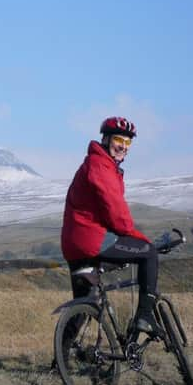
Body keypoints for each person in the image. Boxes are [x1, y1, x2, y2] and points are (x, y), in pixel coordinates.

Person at [60, 116, 163, 338]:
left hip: (75, 246)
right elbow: (116, 213)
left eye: (128, 143)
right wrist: (139, 238)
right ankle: (145, 316)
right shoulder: (101, 166)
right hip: (90, 243)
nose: (123, 147)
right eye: (119, 140)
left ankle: (60, 362)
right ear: (106, 139)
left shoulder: (95, 164)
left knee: (82, 308)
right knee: (149, 254)